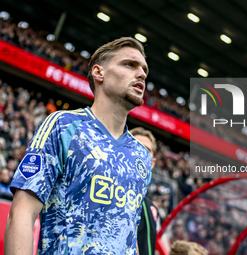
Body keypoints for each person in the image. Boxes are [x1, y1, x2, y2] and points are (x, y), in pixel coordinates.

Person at [5, 37, 152, 255]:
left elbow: (129, 233)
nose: (141, 74)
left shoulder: (142, 156)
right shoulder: (63, 126)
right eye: (130, 65)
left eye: (144, 70)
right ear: (98, 73)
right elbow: (22, 213)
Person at [130, 127, 161, 255]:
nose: (141, 153)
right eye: (135, 146)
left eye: (146, 150)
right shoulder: (109, 193)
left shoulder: (153, 210)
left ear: (153, 163)